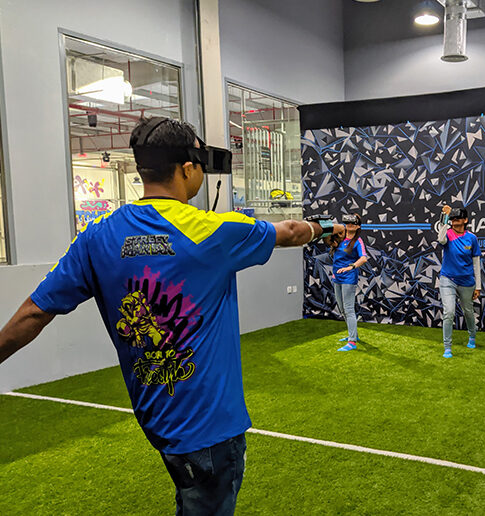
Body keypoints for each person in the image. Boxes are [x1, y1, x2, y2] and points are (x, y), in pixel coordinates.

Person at [0, 117, 345, 515]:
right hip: (211, 430)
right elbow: (290, 232)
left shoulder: (98, 235)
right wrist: (324, 228)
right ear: (186, 169)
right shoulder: (212, 229)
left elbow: (33, 312)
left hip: (159, 424)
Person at [437, 205, 482, 358]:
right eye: (453, 219)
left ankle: (472, 335)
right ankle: (447, 347)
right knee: (448, 312)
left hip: (467, 281)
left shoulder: (472, 238)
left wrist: (479, 286)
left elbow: (476, 263)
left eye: (458, 218)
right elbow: (440, 239)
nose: (455, 221)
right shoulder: (447, 234)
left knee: (468, 312)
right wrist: (444, 217)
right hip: (447, 279)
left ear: (465, 220)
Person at [332, 213, 368, 351]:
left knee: (348, 309)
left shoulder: (358, 241)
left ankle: (352, 342)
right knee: (342, 309)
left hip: (348, 278)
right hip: (337, 277)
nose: (350, 225)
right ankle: (353, 335)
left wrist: (351, 266)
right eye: (348, 223)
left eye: (353, 224)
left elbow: (364, 258)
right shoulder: (339, 237)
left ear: (358, 226)